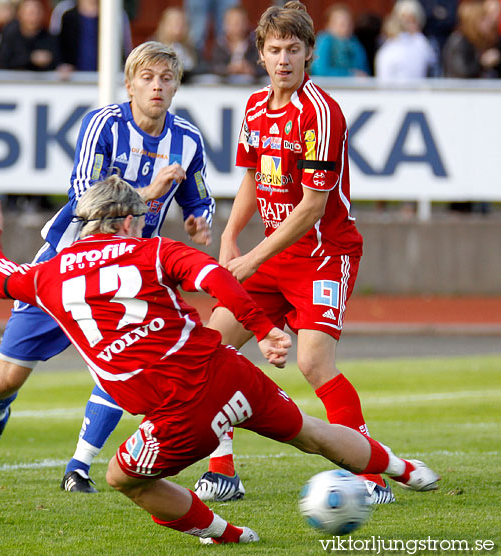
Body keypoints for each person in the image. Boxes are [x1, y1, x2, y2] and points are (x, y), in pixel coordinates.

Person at [0, 179, 440, 545]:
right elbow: (218, 279)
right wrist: (262, 327)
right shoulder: (155, 251)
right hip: (230, 374)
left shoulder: (46, 276)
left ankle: (228, 534)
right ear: (130, 222)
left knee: (123, 478)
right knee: (309, 432)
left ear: (85, 224)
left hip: (178, 414)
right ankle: (406, 470)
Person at [0, 42, 215, 493]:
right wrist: (150, 192)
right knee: (5, 379)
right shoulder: (103, 125)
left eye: (166, 78)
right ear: (130, 82)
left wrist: (201, 220)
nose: (157, 86)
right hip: (69, 264)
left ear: (177, 85)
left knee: (124, 362)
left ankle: (78, 468)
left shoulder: (188, 139)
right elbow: (85, 198)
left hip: (130, 271)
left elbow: (199, 194)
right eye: (147, 77)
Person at [191, 1, 395, 506]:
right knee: (210, 350)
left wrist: (252, 257)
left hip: (324, 254)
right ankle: (222, 473)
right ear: (260, 54)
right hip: (271, 252)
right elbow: (252, 177)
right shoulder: (256, 107)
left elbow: (310, 208)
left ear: (309, 56)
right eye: (275, 49)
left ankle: (370, 478)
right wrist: (228, 235)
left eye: (294, 50)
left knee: (313, 363)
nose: (283, 59)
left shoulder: (321, 113)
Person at [375, 0, 438, 81]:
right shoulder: (388, 48)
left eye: (413, 21)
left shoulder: (423, 43)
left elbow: (433, 67)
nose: (408, 26)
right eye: (405, 21)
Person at [310, 3, 370, 77]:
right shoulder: (324, 41)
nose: (346, 28)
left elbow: (363, 69)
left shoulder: (354, 43)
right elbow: (320, 70)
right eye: (341, 24)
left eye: (349, 24)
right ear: (329, 25)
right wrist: (350, 75)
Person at [0, 0, 59, 71]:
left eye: (38, 13)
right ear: (20, 14)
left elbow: (57, 62)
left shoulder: (48, 37)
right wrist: (31, 58)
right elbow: (4, 63)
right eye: (31, 13)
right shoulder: (10, 34)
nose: (34, 17)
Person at [209, 5, 260, 82]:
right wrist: (228, 69)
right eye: (233, 22)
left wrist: (251, 69)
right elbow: (212, 66)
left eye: (240, 22)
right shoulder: (219, 44)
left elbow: (264, 67)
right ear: (225, 24)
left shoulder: (255, 43)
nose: (237, 26)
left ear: (246, 22)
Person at [151, 7, 199, 81]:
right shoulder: (153, 47)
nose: (178, 29)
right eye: (175, 24)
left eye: (182, 25)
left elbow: (199, 67)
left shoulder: (191, 47)